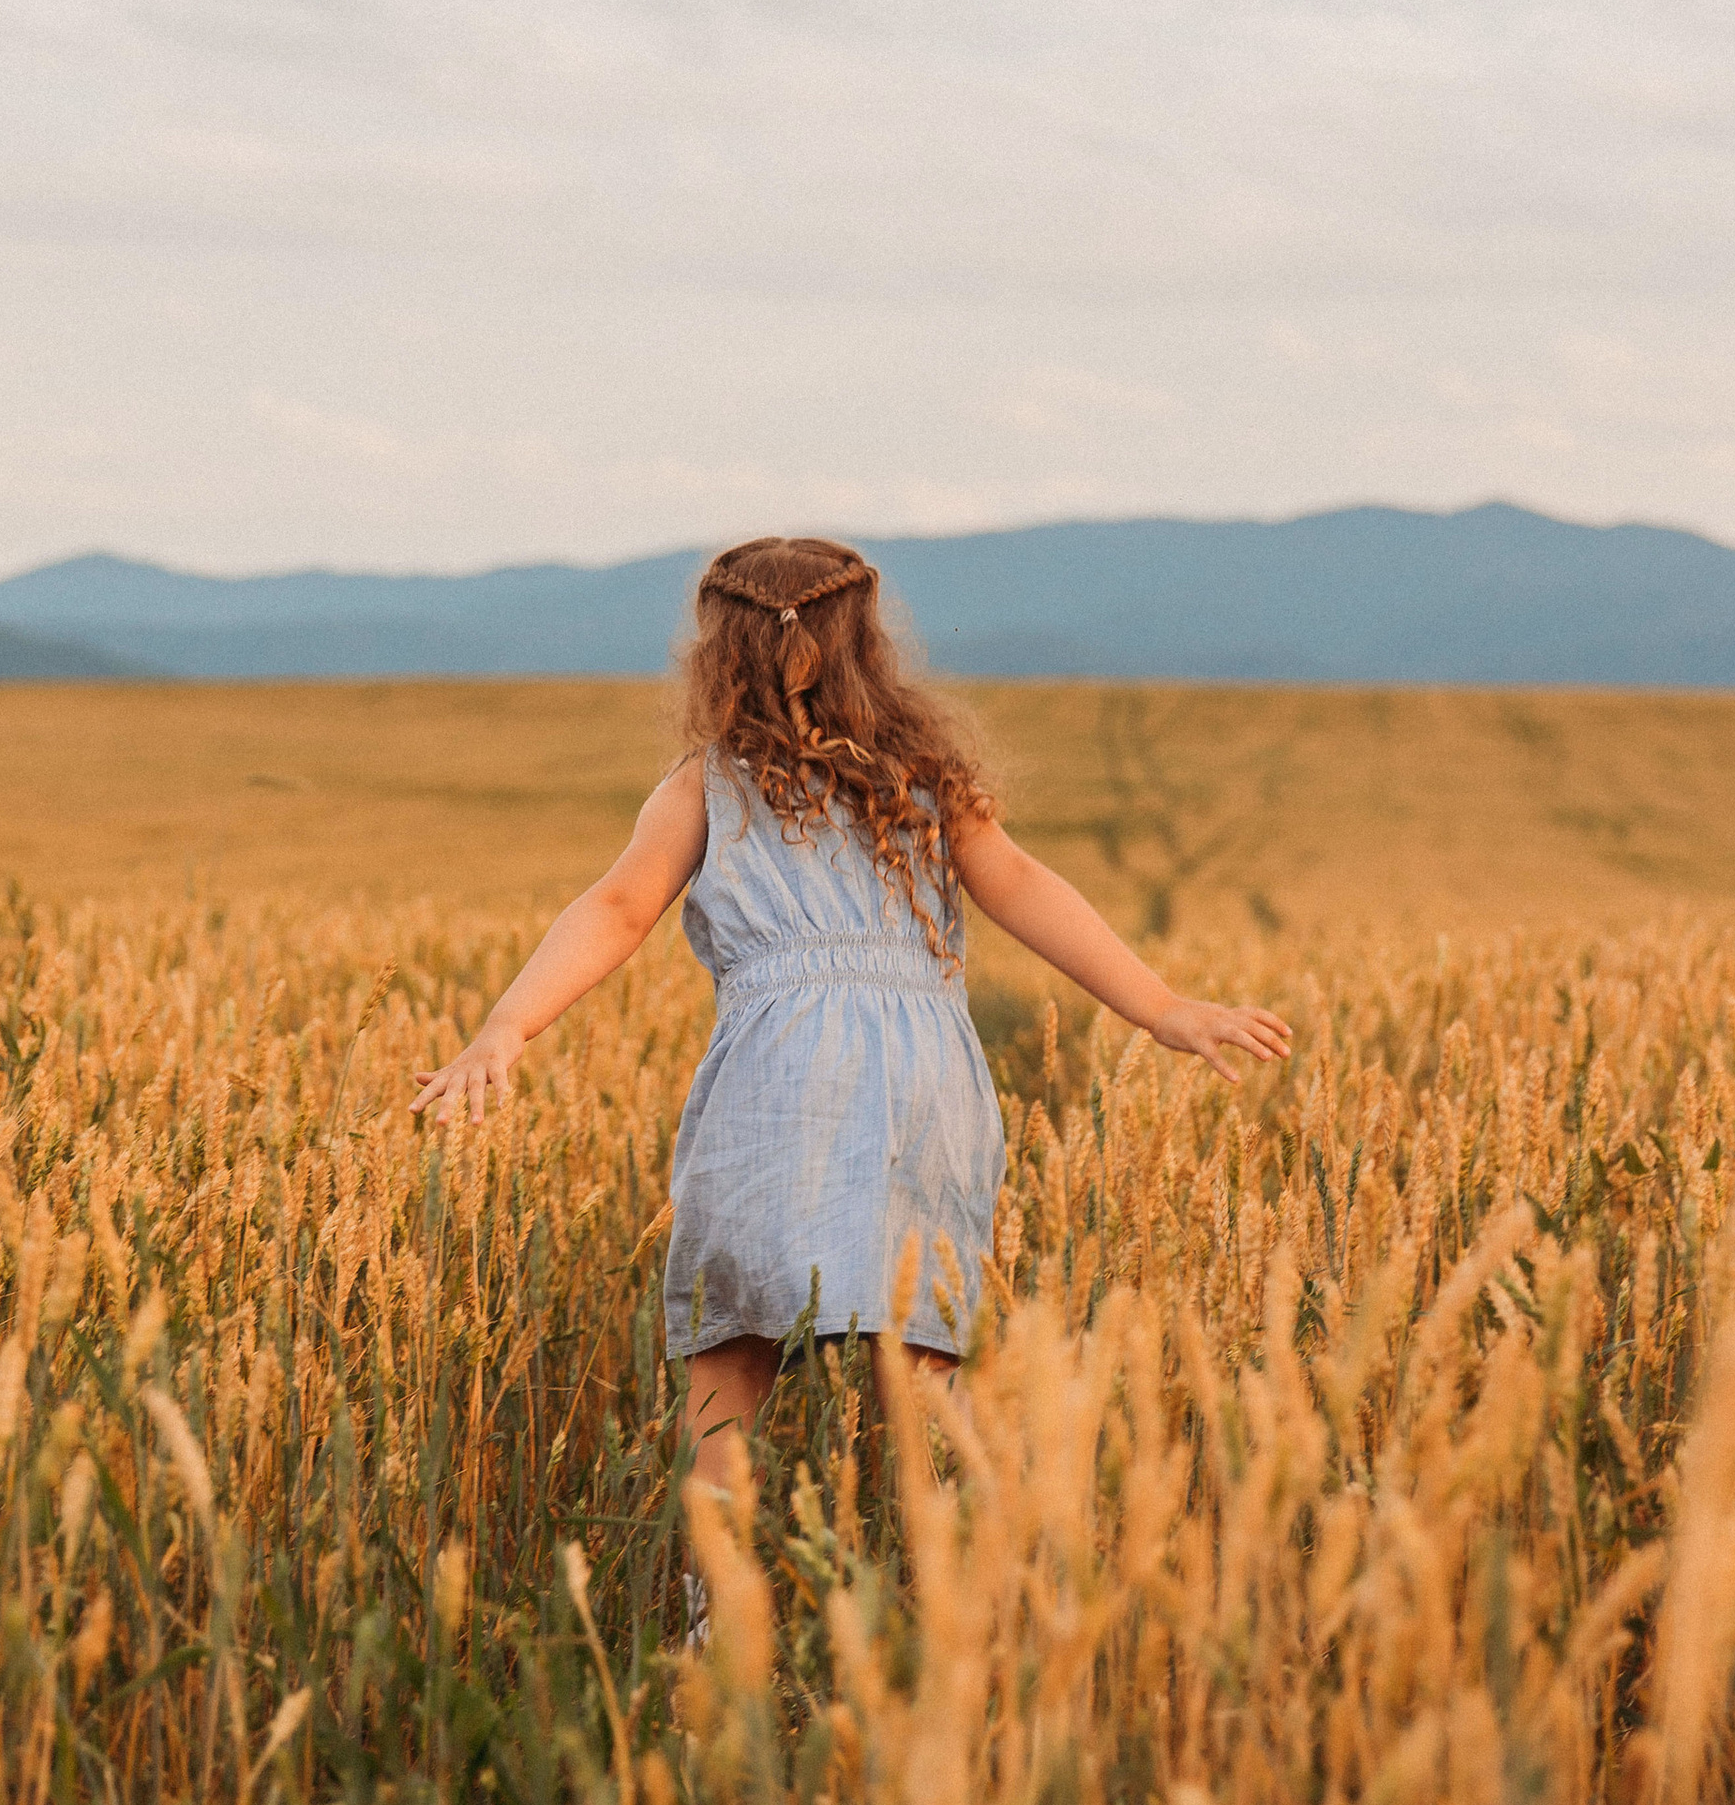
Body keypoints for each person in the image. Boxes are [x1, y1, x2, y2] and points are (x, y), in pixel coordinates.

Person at [412, 536, 1292, 1510]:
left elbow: (617, 909)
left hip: (777, 1083)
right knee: (921, 1355)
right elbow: (1022, 885)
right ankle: (972, 1569)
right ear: (863, 643)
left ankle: (714, 1590)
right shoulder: (923, 777)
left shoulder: (707, 784)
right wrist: (1160, 1007)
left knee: (731, 1356)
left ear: (719, 650)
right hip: (921, 1085)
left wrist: (507, 1026)